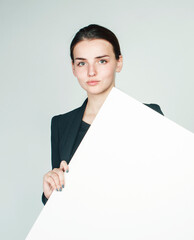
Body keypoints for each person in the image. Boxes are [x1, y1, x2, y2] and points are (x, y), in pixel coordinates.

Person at [42, 24, 163, 205]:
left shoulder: (149, 115)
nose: (91, 72)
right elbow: (61, 201)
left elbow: (165, 183)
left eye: (102, 61)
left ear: (118, 62)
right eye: (82, 63)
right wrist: (50, 194)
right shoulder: (61, 124)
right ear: (73, 68)